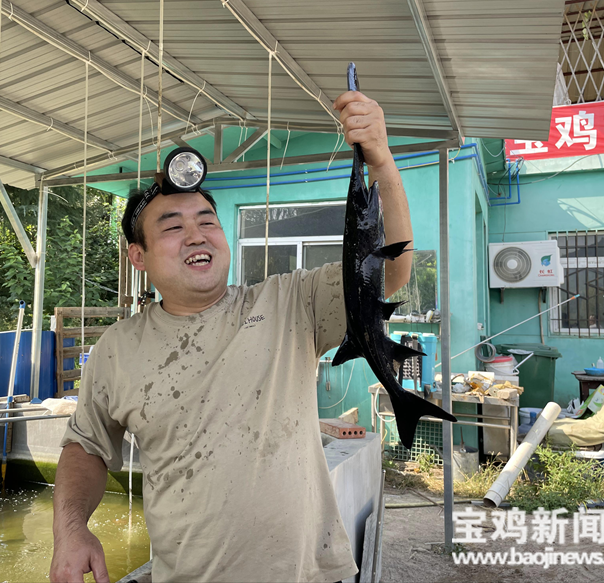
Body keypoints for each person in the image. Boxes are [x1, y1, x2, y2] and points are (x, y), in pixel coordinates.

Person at [49, 90, 414, 583]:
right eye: (173, 226)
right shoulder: (118, 348)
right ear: (139, 256)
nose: (197, 235)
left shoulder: (289, 302)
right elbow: (85, 447)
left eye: (207, 221)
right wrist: (71, 529)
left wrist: (382, 161)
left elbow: (388, 273)